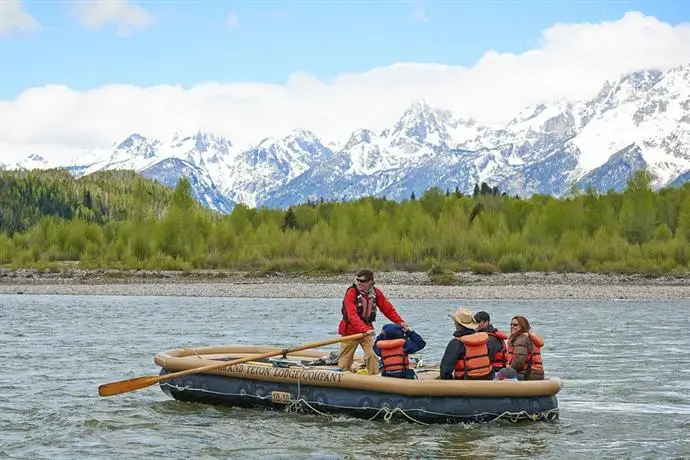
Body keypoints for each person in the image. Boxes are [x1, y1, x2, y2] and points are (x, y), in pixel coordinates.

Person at [338, 269, 408, 375]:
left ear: (370, 281)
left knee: (372, 355)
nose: (359, 283)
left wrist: (400, 322)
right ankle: (342, 376)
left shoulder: (376, 293)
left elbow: (387, 309)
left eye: (363, 281)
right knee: (345, 360)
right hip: (350, 332)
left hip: (367, 331)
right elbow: (352, 316)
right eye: (358, 280)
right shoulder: (351, 293)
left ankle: (374, 376)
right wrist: (365, 329)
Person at [439, 307, 494, 380]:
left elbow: (445, 371)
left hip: (465, 385)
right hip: (485, 381)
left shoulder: (456, 343)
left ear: (457, 324)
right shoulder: (484, 340)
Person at [496, 315, 545, 381]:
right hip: (536, 373)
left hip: (528, 373)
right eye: (511, 324)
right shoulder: (528, 337)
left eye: (515, 325)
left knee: (499, 374)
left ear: (522, 326)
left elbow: (519, 361)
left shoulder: (521, 339)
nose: (512, 326)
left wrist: (509, 371)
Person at [473, 310, 509, 375]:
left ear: (486, 322)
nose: (475, 324)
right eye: (473, 321)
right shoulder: (483, 336)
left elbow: (488, 358)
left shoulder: (491, 339)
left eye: (478, 321)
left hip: (496, 371)